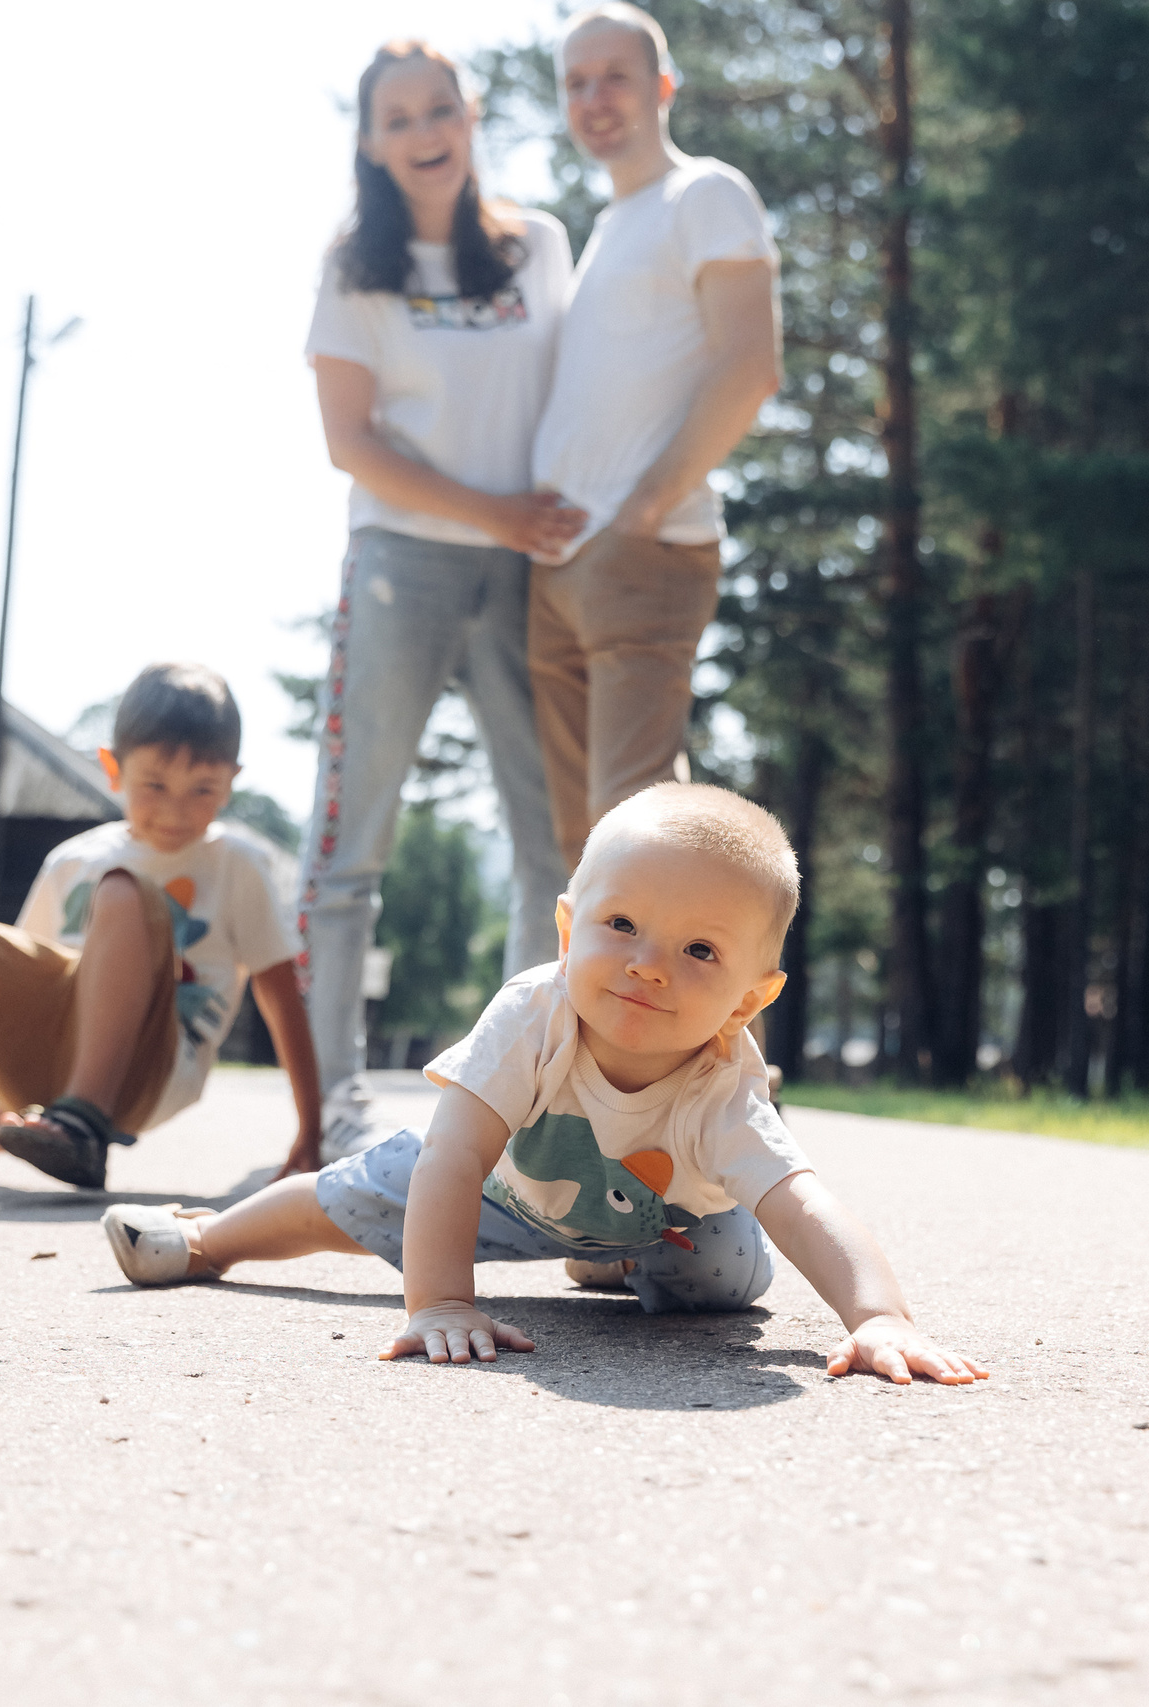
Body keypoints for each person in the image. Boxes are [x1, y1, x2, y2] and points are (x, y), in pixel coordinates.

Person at [100, 784, 988, 1387]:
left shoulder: (722, 1085)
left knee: (728, 1277)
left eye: (700, 951)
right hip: (496, 1178)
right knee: (359, 1193)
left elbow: (803, 1203)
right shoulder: (536, 1014)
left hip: (662, 1214)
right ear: (569, 929)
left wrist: (880, 1318)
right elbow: (450, 1159)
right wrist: (440, 1299)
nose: (648, 966)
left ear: (750, 999)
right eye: (623, 924)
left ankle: (605, 1255)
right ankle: (207, 1237)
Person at [296, 39, 584, 1165]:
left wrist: (542, 525)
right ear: (371, 140)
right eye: (399, 118)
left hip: (528, 575)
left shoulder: (538, 247)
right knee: (351, 843)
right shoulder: (354, 265)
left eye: (441, 110)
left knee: (550, 848)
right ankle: (330, 1111)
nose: (424, 133)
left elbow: (583, 391)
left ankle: (508, 1108)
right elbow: (348, 442)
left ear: (471, 117)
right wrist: (494, 510)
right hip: (399, 567)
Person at [0, 663, 320, 1195]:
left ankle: (84, 1121)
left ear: (232, 781)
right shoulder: (72, 860)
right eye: (154, 784)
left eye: (203, 789)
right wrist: (1, 1120)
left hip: (150, 1069)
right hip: (47, 1067)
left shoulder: (238, 862)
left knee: (122, 892)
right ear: (112, 768)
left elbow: (279, 991)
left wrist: (311, 1128)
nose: (177, 810)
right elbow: (29, 987)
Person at [526, 4, 785, 871]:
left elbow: (750, 365)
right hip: (560, 566)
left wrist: (640, 509)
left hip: (643, 550)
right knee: (585, 847)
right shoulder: (604, 230)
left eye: (616, 77)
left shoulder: (705, 194)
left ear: (663, 86)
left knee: (633, 840)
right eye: (576, 82)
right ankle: (585, 1015)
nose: (595, 98)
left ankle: (722, 1012)